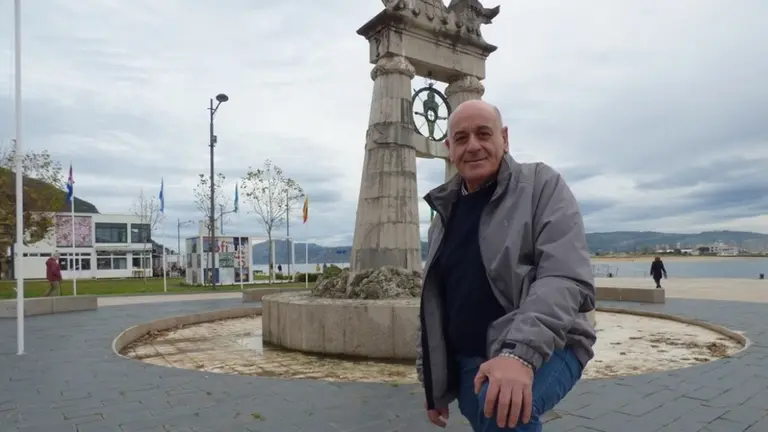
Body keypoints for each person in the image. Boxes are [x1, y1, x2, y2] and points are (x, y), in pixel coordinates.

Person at [418, 100, 596, 431]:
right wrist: (433, 381)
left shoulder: (541, 184)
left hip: (551, 344)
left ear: (505, 138)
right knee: (493, 415)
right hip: (471, 362)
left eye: (483, 134)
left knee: (503, 412)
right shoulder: (443, 215)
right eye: (461, 138)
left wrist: (518, 356)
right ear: (449, 148)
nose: (473, 145)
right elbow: (434, 301)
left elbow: (564, 276)